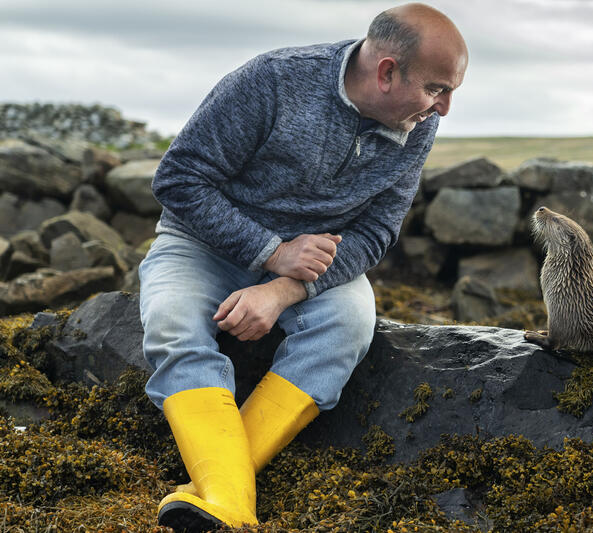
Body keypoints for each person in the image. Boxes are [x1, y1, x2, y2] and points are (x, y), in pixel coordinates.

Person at [137, 3, 467, 529]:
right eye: (436, 89)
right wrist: (271, 252)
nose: (444, 108)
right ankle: (233, 501)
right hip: (201, 245)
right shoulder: (272, 80)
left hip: (312, 265)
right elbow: (178, 180)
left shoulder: (416, 121)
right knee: (172, 324)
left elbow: (377, 232)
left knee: (350, 323)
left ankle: (223, 493)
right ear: (386, 72)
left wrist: (283, 287)